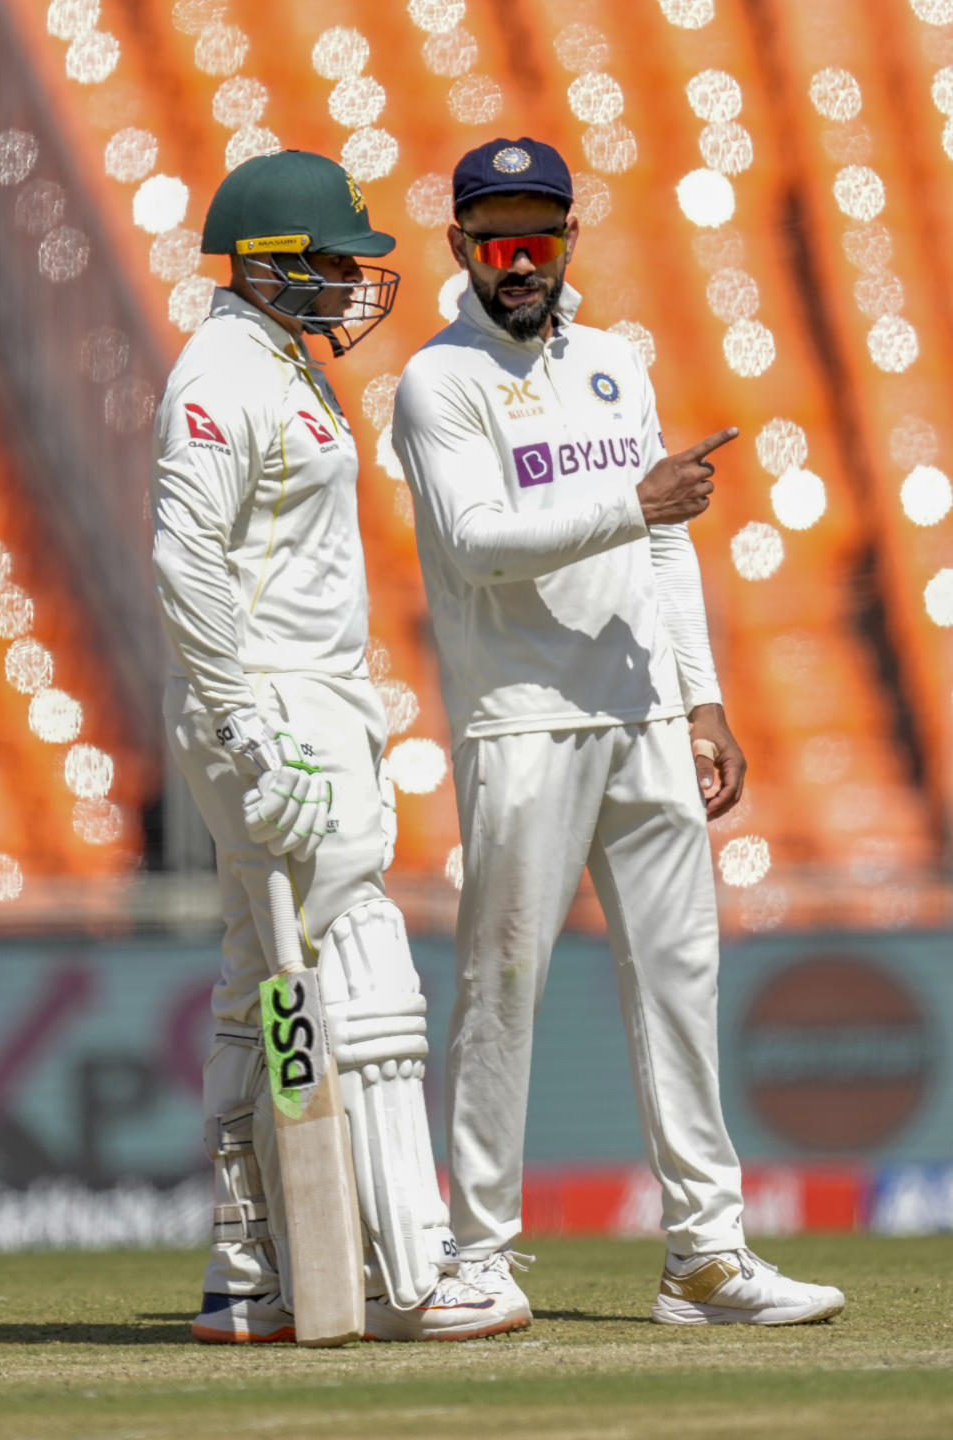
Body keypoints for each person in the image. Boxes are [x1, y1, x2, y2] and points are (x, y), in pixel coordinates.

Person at [391, 136, 845, 1327]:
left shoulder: (615, 362)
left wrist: (702, 696)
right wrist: (631, 498)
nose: (522, 258)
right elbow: (478, 542)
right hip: (526, 721)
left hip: (643, 710)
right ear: (463, 249)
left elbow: (664, 544)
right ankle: (477, 1258)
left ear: (572, 240)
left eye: (541, 233)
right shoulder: (440, 381)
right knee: (503, 988)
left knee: (682, 986)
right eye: (499, 238)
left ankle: (704, 1253)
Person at [150, 149, 528, 1343]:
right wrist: (248, 726)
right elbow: (183, 556)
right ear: (268, 266)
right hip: (275, 701)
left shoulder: (274, 360)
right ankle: (411, 1275)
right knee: (358, 952)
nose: (350, 284)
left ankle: (250, 1269)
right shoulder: (222, 370)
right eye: (329, 263)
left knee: (258, 977)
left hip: (289, 699)